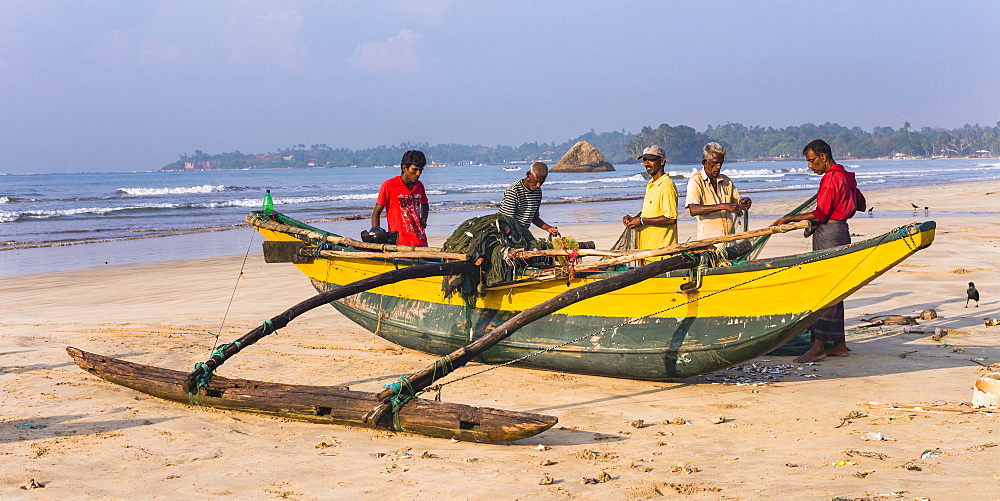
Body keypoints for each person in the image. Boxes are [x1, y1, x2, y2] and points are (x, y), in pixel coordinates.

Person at [772, 139, 866, 363]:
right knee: (838, 289)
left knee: (825, 289)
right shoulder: (846, 176)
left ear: (824, 157)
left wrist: (789, 218)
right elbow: (861, 203)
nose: (810, 166)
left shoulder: (831, 178)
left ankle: (819, 346)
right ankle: (840, 345)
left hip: (830, 234)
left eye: (812, 160)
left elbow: (821, 213)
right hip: (841, 231)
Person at [622, 145, 678, 261]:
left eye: (651, 159)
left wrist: (642, 221)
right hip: (646, 251)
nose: (647, 163)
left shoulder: (667, 186)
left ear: (662, 161)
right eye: (645, 160)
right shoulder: (651, 184)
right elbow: (650, 212)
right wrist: (635, 218)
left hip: (661, 254)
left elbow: (671, 218)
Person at [686, 142, 752, 239]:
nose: (719, 167)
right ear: (705, 162)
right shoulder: (696, 180)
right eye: (715, 163)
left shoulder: (726, 181)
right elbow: (694, 209)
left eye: (721, 163)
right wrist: (724, 206)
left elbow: (737, 201)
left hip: (729, 240)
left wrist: (744, 202)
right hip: (708, 243)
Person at [372, 150, 429, 247]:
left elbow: (425, 204)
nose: (418, 173)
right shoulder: (389, 185)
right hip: (399, 242)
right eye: (414, 169)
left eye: (421, 170)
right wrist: (375, 234)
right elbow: (376, 213)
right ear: (404, 168)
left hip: (420, 241)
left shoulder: (419, 186)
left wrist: (423, 219)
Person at [499, 161, 559, 235]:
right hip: (508, 232)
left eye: (541, 182)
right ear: (528, 174)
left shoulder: (537, 191)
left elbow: (534, 217)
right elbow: (506, 220)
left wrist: (548, 228)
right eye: (535, 181)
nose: (538, 185)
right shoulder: (514, 191)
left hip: (522, 232)